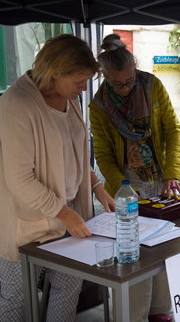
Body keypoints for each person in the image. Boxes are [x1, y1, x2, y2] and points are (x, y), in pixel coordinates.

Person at [0, 34, 115, 321]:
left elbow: (72, 156)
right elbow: (19, 178)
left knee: (68, 286)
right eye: (78, 81)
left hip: (68, 215)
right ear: (54, 73)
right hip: (27, 223)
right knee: (16, 296)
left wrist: (97, 186)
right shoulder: (17, 104)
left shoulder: (68, 98)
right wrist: (63, 212)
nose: (83, 87)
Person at [89, 33, 180, 322]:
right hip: (125, 190)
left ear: (136, 69)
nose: (126, 88)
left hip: (160, 183)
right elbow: (103, 155)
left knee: (164, 251)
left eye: (130, 80)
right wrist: (123, 190)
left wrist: (172, 174)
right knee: (132, 257)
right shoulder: (99, 106)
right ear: (104, 76)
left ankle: (161, 312)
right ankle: (133, 316)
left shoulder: (152, 86)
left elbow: (172, 131)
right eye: (117, 84)